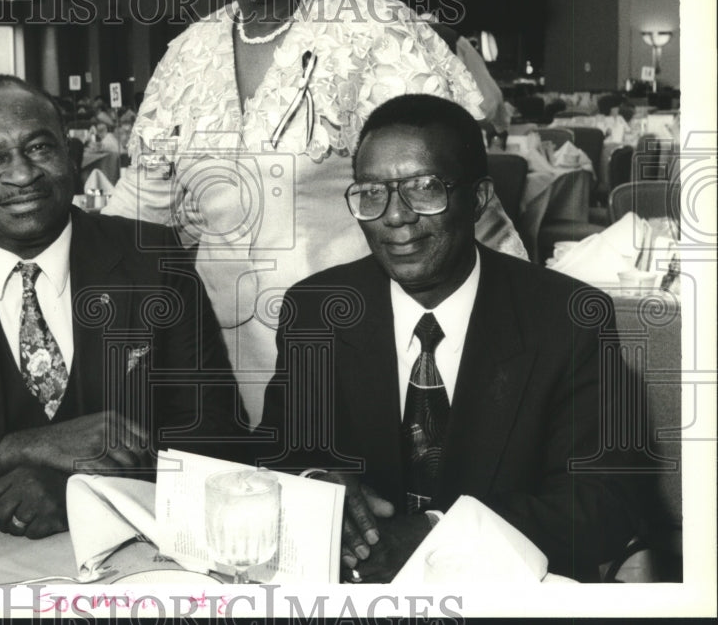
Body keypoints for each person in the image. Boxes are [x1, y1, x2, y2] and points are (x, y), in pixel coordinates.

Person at [102, 0, 528, 426]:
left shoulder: (370, 29)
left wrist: (514, 341)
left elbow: (453, 186)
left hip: (351, 336)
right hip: (210, 350)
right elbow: (142, 204)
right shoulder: (187, 52)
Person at [256, 94, 645, 581]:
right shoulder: (318, 309)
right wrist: (314, 486)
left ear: (478, 199)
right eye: (372, 191)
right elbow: (277, 456)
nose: (395, 215)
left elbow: (601, 504)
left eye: (424, 188)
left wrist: (435, 532)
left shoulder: (567, 317)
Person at [0, 75, 241, 539]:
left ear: (71, 158)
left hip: (135, 556)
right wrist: (22, 447)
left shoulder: (154, 262)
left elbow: (216, 436)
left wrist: (83, 492)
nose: (22, 174)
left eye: (38, 148)